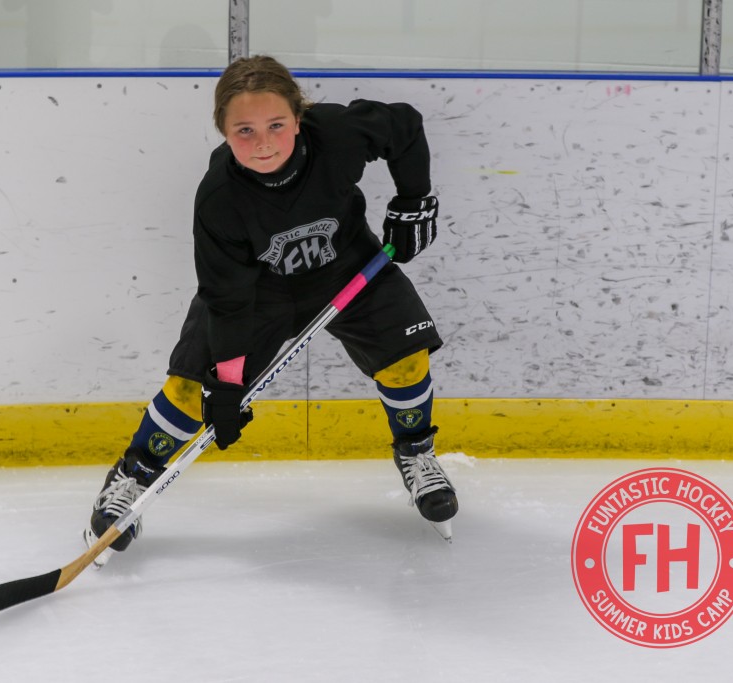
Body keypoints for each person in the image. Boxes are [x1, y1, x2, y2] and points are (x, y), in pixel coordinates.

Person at [84, 55, 457, 564]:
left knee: (407, 360)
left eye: (276, 125)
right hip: (258, 292)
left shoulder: (339, 135)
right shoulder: (219, 199)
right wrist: (230, 383)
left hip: (348, 266)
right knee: (191, 388)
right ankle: (133, 476)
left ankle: (416, 454)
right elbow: (228, 301)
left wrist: (414, 200)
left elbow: (405, 126)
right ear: (222, 131)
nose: (263, 143)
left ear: (298, 119)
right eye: (244, 130)